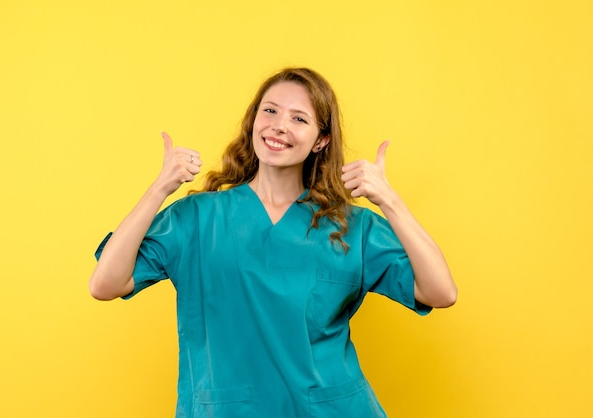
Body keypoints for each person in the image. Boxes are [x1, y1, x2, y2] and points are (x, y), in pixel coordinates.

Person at [89, 67, 457, 417]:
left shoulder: (351, 226)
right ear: (253, 121)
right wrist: (160, 189)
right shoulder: (197, 218)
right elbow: (105, 284)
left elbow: (440, 293)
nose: (279, 126)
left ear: (321, 140)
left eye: (299, 118)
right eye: (270, 111)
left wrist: (390, 202)